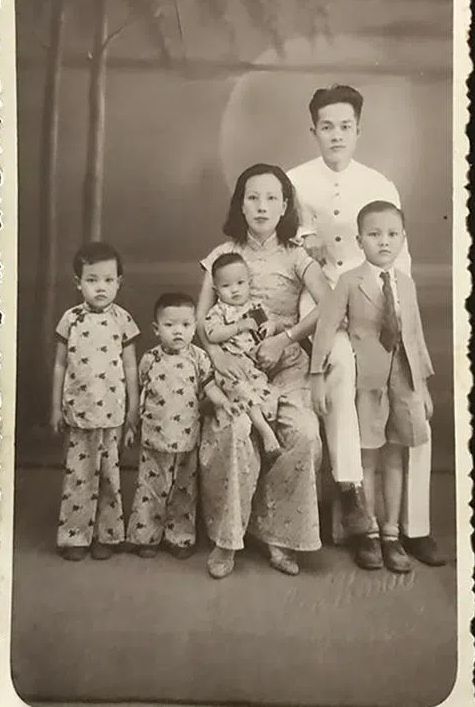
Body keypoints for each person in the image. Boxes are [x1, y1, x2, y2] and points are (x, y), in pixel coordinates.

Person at [288, 84, 446, 565]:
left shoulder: (380, 184)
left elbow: (401, 259)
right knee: (341, 367)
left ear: (359, 130)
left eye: (345, 127)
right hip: (323, 304)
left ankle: (415, 527)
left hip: (377, 302)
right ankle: (356, 506)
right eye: (327, 127)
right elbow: (293, 251)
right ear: (313, 130)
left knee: (410, 398)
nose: (336, 136)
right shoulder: (295, 182)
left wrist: (397, 317)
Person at [196, 163, 333, 579]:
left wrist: (286, 337)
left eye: (272, 198)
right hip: (235, 366)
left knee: (304, 432)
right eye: (252, 197)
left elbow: (330, 303)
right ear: (240, 205)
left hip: (285, 364)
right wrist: (216, 356)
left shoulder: (296, 255)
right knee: (237, 430)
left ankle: (279, 535)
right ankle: (228, 537)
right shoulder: (221, 255)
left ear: (285, 205)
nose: (261, 206)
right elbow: (201, 319)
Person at [310, 201, 435, 572]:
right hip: (368, 382)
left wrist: (423, 387)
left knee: (396, 455)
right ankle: (369, 533)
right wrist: (317, 376)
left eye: (392, 234)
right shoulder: (350, 282)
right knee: (368, 455)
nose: (384, 242)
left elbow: (415, 336)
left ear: (403, 239)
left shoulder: (406, 284)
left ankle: (392, 533)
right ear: (359, 240)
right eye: (374, 234)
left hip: (404, 381)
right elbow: (326, 328)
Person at [50, 242, 140, 561]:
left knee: (109, 477)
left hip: (113, 413)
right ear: (79, 283)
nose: (100, 287)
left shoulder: (123, 320)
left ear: (119, 282)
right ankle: (75, 536)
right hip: (79, 412)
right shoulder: (71, 319)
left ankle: (108, 534)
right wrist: (55, 407)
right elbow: (60, 365)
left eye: (108, 280)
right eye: (92, 280)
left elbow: (131, 368)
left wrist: (132, 409)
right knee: (79, 475)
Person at [126, 292, 229, 559]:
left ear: (194, 327)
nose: (178, 331)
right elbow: (142, 393)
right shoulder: (149, 359)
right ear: (156, 329)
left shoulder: (199, 358)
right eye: (170, 325)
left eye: (185, 325)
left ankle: (180, 537)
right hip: (154, 437)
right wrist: (133, 424)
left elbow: (209, 387)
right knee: (150, 488)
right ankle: (146, 536)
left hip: (187, 438)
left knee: (184, 490)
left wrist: (222, 403)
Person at [203, 252, 282, 454]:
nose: (235, 290)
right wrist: (238, 326)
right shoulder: (218, 311)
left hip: (253, 367)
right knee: (244, 392)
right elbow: (212, 334)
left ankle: (268, 441)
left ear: (249, 283)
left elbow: (269, 325)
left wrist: (270, 326)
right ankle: (265, 432)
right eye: (226, 286)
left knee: (267, 396)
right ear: (216, 290)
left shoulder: (255, 307)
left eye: (240, 283)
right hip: (230, 368)